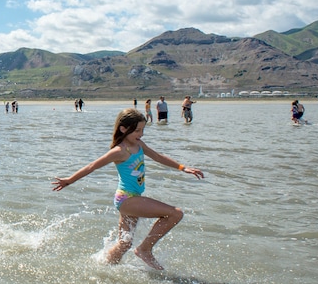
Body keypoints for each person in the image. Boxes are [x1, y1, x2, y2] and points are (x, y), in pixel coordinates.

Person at [52, 108, 204, 270]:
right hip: (127, 199)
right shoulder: (119, 151)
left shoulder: (139, 145)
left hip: (132, 198)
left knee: (124, 243)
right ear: (123, 129)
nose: (141, 134)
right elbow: (92, 166)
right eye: (137, 130)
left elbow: (158, 157)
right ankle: (145, 249)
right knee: (175, 213)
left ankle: (103, 268)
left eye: (143, 130)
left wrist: (182, 167)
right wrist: (69, 180)